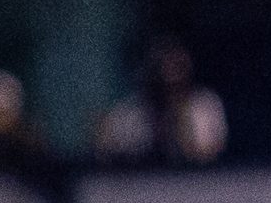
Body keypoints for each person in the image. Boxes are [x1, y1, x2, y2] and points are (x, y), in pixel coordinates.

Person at [96, 38, 227, 167]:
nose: (171, 73)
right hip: (145, 177)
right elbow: (108, 147)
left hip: (194, 177)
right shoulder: (134, 110)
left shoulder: (205, 104)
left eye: (177, 66)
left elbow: (210, 152)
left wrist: (180, 120)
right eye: (164, 65)